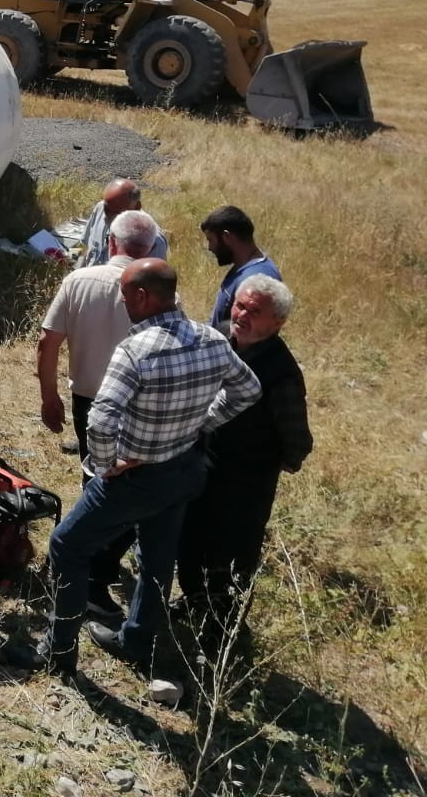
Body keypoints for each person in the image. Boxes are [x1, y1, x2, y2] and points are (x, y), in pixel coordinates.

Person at [5, 259, 261, 677]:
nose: (122, 302)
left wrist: (105, 468)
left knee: (67, 546)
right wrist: (199, 424)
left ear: (143, 297)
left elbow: (101, 420)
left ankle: (58, 652)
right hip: (184, 469)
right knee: (158, 559)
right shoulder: (213, 339)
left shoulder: (136, 350)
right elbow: (248, 389)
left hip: (137, 477)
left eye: (125, 296)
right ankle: (137, 640)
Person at [35, 209, 164, 617]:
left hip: (87, 400)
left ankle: (75, 561)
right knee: (118, 491)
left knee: (96, 480)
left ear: (110, 241)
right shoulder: (159, 293)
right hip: (137, 405)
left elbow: (47, 343)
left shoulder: (78, 280)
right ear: (151, 248)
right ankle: (90, 573)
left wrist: (48, 395)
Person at [177, 275, 312, 644]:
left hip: (245, 483)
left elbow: (298, 440)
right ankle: (193, 601)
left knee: (231, 558)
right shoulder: (218, 337)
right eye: (239, 305)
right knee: (189, 542)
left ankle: (223, 635)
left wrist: (271, 464)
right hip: (201, 464)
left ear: (277, 322)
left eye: (255, 311)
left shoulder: (281, 374)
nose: (242, 315)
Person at [200, 205, 282, 334]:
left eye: (211, 240)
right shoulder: (243, 267)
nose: (210, 248)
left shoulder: (256, 278)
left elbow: (252, 334)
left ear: (226, 237)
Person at [75, 178, 167, 271]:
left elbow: (153, 279)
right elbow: (87, 250)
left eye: (116, 212)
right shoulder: (100, 209)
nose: (106, 217)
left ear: (136, 207)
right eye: (106, 209)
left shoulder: (152, 239)